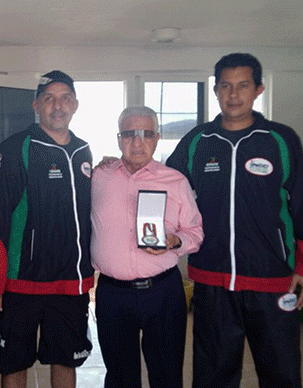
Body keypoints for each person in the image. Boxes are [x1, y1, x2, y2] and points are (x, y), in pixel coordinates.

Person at [166, 53, 303, 387]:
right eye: (225, 86)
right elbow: (165, 186)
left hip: (273, 281)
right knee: (213, 376)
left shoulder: (281, 140)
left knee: (281, 374)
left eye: (243, 85)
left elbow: (301, 205)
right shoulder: (198, 141)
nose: (233, 94)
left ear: (258, 89)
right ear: (215, 90)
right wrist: (121, 165)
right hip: (212, 282)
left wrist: (301, 266)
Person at [0, 70, 93, 388]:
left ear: (75, 105)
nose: (58, 106)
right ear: (36, 105)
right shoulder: (16, 147)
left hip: (71, 282)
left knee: (66, 361)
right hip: (21, 283)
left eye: (65, 98)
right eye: (49, 99)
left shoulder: (84, 151)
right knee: (14, 365)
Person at [91, 106, 204, 388]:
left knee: (166, 375)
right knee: (119, 377)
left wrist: (175, 241)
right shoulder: (97, 178)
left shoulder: (175, 181)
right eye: (130, 134)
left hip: (163, 294)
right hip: (112, 295)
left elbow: (196, 233)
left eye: (146, 134)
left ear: (157, 138)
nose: (137, 142)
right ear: (119, 139)